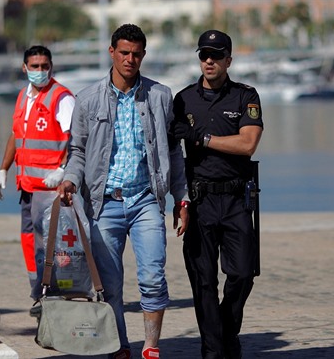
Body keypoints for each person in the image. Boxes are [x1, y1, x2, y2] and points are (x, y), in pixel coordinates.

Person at [57, 24, 189, 359]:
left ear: (143, 55)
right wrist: (70, 180)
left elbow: (173, 152)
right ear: (112, 53)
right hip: (105, 204)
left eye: (137, 54)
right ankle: (120, 346)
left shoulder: (160, 96)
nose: (130, 59)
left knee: (153, 277)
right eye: (124, 53)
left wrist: (181, 197)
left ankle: (151, 347)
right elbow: (78, 152)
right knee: (110, 285)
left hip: (146, 199)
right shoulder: (86, 100)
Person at [171, 30, 264, 359]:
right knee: (203, 281)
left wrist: (203, 139)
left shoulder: (245, 96)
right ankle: (213, 349)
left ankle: (226, 330)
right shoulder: (182, 100)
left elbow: (247, 143)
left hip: (237, 200)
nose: (209, 61)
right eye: (203, 55)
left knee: (242, 274)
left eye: (216, 55)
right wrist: (178, 201)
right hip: (199, 201)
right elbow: (169, 154)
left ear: (228, 60)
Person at [0, 45, 74, 308]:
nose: (40, 71)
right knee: (29, 240)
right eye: (35, 66)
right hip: (27, 187)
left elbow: (76, 139)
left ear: (52, 66)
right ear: (24, 67)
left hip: (52, 189)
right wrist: (3, 169)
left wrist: (63, 170)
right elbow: (16, 136)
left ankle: (57, 292)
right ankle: (37, 292)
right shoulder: (22, 97)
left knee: (53, 244)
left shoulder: (61, 98)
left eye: (45, 66)